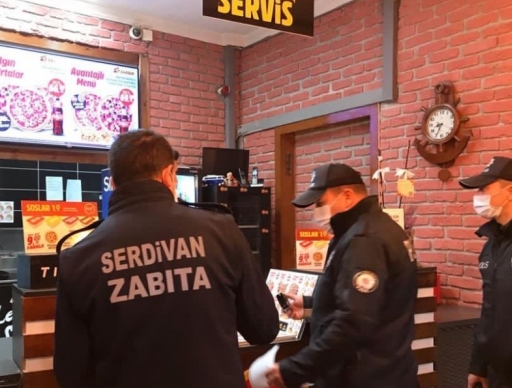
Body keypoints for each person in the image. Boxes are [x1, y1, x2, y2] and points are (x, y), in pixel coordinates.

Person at [53, 129, 279, 388]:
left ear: (113, 183)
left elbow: (70, 372)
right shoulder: (222, 230)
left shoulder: (78, 258)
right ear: (168, 174)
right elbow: (263, 328)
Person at [266, 163, 418, 388]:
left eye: (321, 203)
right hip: (390, 371)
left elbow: (354, 321)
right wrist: (311, 305)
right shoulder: (383, 227)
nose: (317, 211)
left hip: (365, 377)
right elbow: (373, 302)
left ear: (347, 196)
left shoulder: (363, 240)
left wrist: (295, 369)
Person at [459, 156, 512, 388]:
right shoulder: (492, 244)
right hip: (498, 372)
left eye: (484, 189)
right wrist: (479, 364)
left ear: (511, 191)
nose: (478, 196)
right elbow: (489, 310)